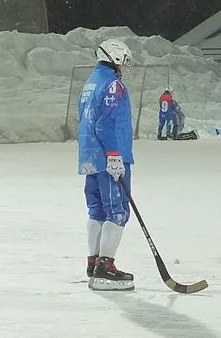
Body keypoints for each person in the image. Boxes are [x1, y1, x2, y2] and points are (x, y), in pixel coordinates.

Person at [78, 39, 135, 291]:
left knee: (97, 209)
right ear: (114, 57)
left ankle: (94, 261)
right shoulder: (113, 84)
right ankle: (105, 265)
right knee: (118, 211)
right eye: (123, 60)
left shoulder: (91, 81)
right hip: (109, 156)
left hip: (90, 155)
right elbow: (105, 122)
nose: (125, 65)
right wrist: (114, 154)